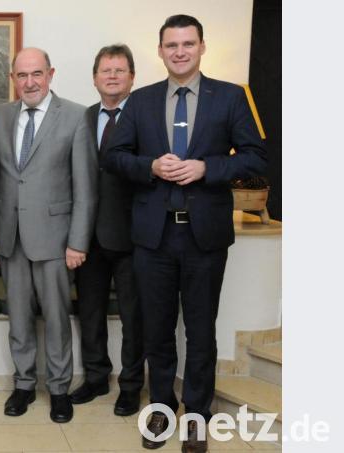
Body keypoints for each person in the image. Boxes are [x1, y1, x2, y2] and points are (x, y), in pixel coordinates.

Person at [101, 15, 268, 452]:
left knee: (200, 331)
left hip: (204, 237)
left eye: (187, 44)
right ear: (159, 50)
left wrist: (208, 168)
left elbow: (255, 158)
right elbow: (114, 156)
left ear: (201, 47)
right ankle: (160, 409)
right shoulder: (140, 101)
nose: (179, 51)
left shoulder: (229, 98)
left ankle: (196, 416)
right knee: (155, 330)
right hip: (153, 239)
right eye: (171, 44)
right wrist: (151, 166)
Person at [0, 47, 97, 424]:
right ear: (13, 79)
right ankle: (23, 385)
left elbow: (85, 187)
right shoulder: (0, 117)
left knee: (56, 318)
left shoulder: (76, 116)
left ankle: (60, 389)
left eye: (36, 74)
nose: (29, 82)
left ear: (50, 74)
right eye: (22, 76)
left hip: (55, 238)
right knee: (18, 318)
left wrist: (78, 241)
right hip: (10, 236)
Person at [69, 44, 144, 417]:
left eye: (119, 70)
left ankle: (130, 385)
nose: (112, 76)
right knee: (90, 313)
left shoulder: (145, 117)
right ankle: (96, 377)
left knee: (134, 317)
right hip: (89, 237)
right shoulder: (82, 118)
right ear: (94, 78)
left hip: (134, 237)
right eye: (105, 71)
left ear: (132, 76)